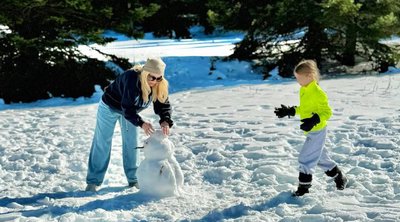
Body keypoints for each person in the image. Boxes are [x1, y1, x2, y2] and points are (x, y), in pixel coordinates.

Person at [85, 57, 174, 192]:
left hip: (129, 112)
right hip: (109, 107)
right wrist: (141, 123)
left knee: (131, 143)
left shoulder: (158, 85)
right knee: (102, 142)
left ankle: (133, 180)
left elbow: (163, 104)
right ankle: (93, 181)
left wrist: (165, 120)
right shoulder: (132, 79)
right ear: (145, 73)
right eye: (152, 77)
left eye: (158, 78)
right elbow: (127, 108)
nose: (154, 81)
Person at [274, 59, 347, 196]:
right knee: (320, 158)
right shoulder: (304, 90)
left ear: (309, 76)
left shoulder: (318, 92)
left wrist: (314, 120)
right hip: (311, 130)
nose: (298, 82)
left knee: (306, 158)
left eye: (299, 78)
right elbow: (304, 109)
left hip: (318, 130)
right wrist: (290, 111)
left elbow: (327, 112)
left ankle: (303, 189)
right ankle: (339, 176)